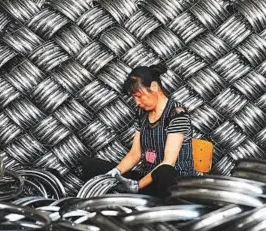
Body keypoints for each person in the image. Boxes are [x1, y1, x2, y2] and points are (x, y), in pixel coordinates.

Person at [79, 63, 195, 198]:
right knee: (91, 165)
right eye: (134, 98)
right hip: (148, 181)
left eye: (139, 96)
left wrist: (137, 186)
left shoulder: (177, 114)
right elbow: (135, 153)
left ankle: (162, 211)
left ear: (154, 87)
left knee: (165, 172)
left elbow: (168, 162)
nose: (137, 102)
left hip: (174, 184)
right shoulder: (142, 113)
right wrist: (114, 173)